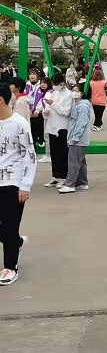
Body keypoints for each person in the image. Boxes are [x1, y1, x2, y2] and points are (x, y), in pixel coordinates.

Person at [0, 83, 36, 286]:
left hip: (13, 181)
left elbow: (29, 156)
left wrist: (25, 186)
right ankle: (17, 242)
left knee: (10, 226)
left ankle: (10, 268)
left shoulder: (19, 123)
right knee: (8, 232)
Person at [57, 85, 91, 194]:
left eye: (76, 91)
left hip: (77, 139)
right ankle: (81, 182)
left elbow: (81, 123)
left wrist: (75, 137)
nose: (73, 92)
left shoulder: (82, 106)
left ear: (81, 93)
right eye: (73, 90)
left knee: (73, 162)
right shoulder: (77, 105)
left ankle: (70, 184)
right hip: (76, 138)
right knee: (80, 161)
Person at [43, 73, 72, 188]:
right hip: (52, 126)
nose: (54, 86)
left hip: (62, 127)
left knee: (62, 153)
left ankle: (64, 177)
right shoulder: (54, 93)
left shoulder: (69, 95)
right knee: (54, 153)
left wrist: (53, 104)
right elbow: (50, 107)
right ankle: (55, 176)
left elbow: (66, 112)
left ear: (62, 83)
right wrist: (46, 110)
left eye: (56, 84)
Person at [34, 77, 53, 160]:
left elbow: (47, 103)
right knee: (47, 136)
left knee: (47, 136)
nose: (42, 85)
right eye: (41, 83)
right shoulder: (43, 93)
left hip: (49, 118)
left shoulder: (49, 93)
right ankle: (48, 154)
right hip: (46, 117)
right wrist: (37, 110)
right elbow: (40, 103)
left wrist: (46, 110)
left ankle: (48, 155)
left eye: (45, 83)